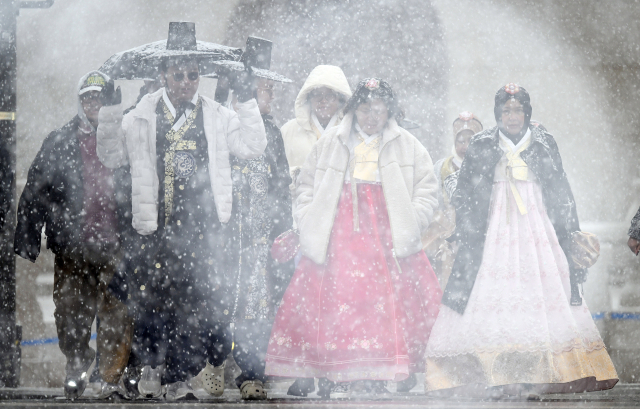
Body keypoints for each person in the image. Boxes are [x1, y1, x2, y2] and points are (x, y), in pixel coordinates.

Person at [96, 23, 267, 400]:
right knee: (151, 303)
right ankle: (148, 372)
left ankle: (179, 376)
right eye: (178, 73)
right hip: (154, 227)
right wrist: (109, 107)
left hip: (201, 230)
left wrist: (246, 98)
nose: (187, 81)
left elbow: (253, 146)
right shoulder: (141, 115)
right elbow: (110, 155)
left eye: (193, 74)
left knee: (193, 306)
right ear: (163, 74)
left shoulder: (219, 115)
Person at [424, 83, 618, 397]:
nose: (512, 116)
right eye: (506, 110)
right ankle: (493, 371)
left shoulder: (542, 142)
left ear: (527, 112)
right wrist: (465, 232)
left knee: (539, 288)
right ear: (497, 113)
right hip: (494, 225)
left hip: (535, 224)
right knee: (492, 290)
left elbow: (561, 190)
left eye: (517, 110)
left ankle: (541, 371)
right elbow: (465, 194)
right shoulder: (484, 143)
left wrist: (569, 233)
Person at [265, 78, 442, 399]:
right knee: (334, 302)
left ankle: (374, 373)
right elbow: (305, 186)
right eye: (364, 108)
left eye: (378, 109)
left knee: (381, 304)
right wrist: (307, 221)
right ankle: (334, 373)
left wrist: (412, 221)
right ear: (354, 109)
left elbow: (427, 188)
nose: (371, 116)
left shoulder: (407, 144)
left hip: (386, 237)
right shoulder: (332, 141)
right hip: (337, 235)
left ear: (389, 110)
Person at [14, 71, 133, 399]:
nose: (93, 103)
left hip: (117, 245)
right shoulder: (60, 140)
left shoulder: (125, 137)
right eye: (87, 98)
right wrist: (27, 237)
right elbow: (36, 190)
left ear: (109, 101)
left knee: (116, 313)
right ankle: (77, 363)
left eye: (99, 97)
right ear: (79, 102)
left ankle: (109, 377)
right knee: (69, 311)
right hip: (73, 245)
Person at [224, 37, 296, 401]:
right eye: (264, 88)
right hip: (228, 234)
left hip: (261, 235)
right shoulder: (223, 122)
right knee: (224, 299)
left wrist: (283, 229)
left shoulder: (273, 131)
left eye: (270, 88)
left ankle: (252, 370)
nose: (270, 95)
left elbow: (281, 184)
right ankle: (212, 362)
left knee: (257, 304)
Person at [423, 112, 483, 290]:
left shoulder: (485, 166)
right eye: (460, 141)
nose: (465, 146)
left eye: (470, 141)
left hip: (475, 228)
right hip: (446, 227)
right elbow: (433, 196)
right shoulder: (443, 166)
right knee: (445, 274)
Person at [281, 65, 352, 206]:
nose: (323, 100)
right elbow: (277, 175)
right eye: (317, 95)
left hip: (341, 210)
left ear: (340, 100)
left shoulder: (351, 132)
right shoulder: (288, 131)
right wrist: (297, 176)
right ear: (308, 98)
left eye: (330, 95)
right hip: (298, 209)